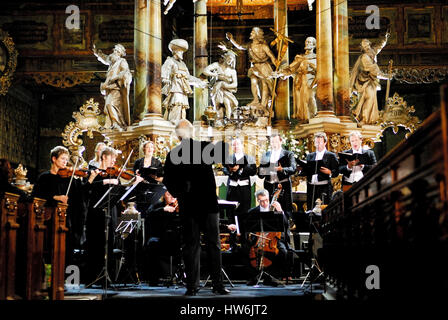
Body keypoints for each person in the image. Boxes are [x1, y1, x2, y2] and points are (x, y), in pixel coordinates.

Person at [163, 119, 230, 296]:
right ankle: (218, 285)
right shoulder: (204, 148)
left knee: (191, 246)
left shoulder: (173, 154)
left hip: (189, 205)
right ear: (192, 132)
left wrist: (180, 191)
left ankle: (192, 286)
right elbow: (225, 157)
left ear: (178, 136)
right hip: (208, 203)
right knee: (214, 245)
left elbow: (167, 181)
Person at [84, 146, 144, 284]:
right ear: (104, 157)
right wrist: (105, 181)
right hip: (96, 212)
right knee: (97, 243)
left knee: (109, 242)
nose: (114, 161)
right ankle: (94, 276)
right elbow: (86, 189)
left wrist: (134, 183)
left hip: (111, 213)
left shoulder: (114, 174)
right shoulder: (94, 172)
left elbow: (122, 193)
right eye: (112, 158)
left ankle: (107, 276)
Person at [229, 189, 289, 286]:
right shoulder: (252, 212)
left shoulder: (276, 209)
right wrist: (238, 228)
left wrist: (281, 211)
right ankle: (254, 276)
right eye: (261, 201)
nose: (264, 203)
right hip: (257, 239)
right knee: (243, 249)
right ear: (257, 200)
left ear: (269, 199)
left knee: (283, 252)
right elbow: (246, 228)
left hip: (273, 240)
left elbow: (286, 225)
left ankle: (271, 277)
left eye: (266, 200)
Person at [226, 27, 278, 112]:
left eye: (253, 32)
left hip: (264, 67)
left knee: (264, 85)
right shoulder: (249, 45)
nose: (251, 34)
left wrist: (276, 64)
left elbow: (271, 56)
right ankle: (256, 99)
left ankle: (263, 104)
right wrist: (231, 39)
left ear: (257, 35)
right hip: (255, 67)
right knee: (253, 81)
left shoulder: (263, 46)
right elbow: (240, 47)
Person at [161, 39, 207, 123]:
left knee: (182, 108)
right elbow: (164, 70)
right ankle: (173, 123)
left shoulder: (183, 64)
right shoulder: (170, 61)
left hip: (182, 89)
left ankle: (180, 125)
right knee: (176, 105)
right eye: (180, 52)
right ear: (175, 51)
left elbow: (188, 77)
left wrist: (199, 82)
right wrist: (165, 78)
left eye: (182, 52)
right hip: (175, 88)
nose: (182, 54)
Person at [349, 32, 391, 125]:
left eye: (367, 44)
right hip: (364, 81)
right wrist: (385, 76)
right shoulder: (364, 57)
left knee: (371, 99)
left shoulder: (372, 52)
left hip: (371, 81)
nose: (367, 47)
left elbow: (379, 46)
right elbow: (373, 70)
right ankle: (364, 118)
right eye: (364, 46)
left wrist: (385, 39)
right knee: (369, 98)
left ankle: (367, 119)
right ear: (362, 48)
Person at [274, 37, 317, 122]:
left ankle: (313, 116)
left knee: (310, 98)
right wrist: (279, 73)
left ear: (314, 45)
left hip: (311, 81)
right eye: (306, 42)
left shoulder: (317, 58)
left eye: (309, 42)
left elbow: (320, 71)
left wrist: (315, 82)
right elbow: (290, 69)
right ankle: (304, 119)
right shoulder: (300, 58)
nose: (307, 43)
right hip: (300, 82)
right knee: (301, 102)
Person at [144, 190, 180, 286]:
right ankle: (154, 279)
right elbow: (148, 214)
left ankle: (183, 277)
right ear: (164, 195)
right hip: (161, 238)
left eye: (174, 195)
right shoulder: (158, 205)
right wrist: (163, 209)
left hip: (177, 239)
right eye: (169, 194)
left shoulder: (180, 206)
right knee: (152, 244)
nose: (172, 197)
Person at [93, 43, 132, 131]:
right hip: (109, 89)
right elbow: (106, 58)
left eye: (116, 51)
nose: (114, 52)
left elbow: (125, 72)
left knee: (110, 104)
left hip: (116, 88)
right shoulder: (111, 63)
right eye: (114, 50)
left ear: (120, 53)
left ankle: (117, 123)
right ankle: (114, 123)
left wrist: (116, 77)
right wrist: (97, 53)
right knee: (108, 106)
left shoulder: (122, 61)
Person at [258, 133, 296, 221]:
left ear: (280, 141)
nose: (273, 144)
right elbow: (260, 173)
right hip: (269, 187)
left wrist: (281, 169)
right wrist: (269, 170)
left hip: (283, 187)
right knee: (269, 212)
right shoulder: (266, 155)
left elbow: (293, 169)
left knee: (285, 211)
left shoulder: (288, 154)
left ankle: (284, 233)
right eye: (272, 142)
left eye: (275, 141)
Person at [297, 132, 339, 211]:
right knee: (311, 209)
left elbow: (336, 171)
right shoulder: (310, 156)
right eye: (316, 142)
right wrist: (301, 170)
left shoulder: (331, 156)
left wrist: (330, 172)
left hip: (324, 188)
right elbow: (307, 171)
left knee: (324, 210)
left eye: (320, 142)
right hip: (311, 187)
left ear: (325, 142)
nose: (317, 144)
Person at [222, 138, 257, 218]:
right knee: (232, 211)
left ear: (242, 145)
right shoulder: (229, 157)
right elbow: (224, 168)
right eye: (234, 145)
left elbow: (253, 170)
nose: (236, 146)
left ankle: (243, 230)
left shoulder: (249, 158)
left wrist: (240, 169)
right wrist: (230, 170)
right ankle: (233, 229)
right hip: (232, 189)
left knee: (244, 211)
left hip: (244, 189)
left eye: (238, 144)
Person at [202, 50, 238, 120]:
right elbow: (205, 70)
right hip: (217, 89)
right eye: (229, 58)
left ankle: (229, 120)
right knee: (217, 106)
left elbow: (235, 84)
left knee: (227, 104)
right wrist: (214, 74)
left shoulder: (232, 71)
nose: (230, 61)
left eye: (232, 60)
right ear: (225, 57)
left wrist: (223, 85)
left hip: (227, 90)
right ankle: (218, 121)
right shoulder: (217, 65)